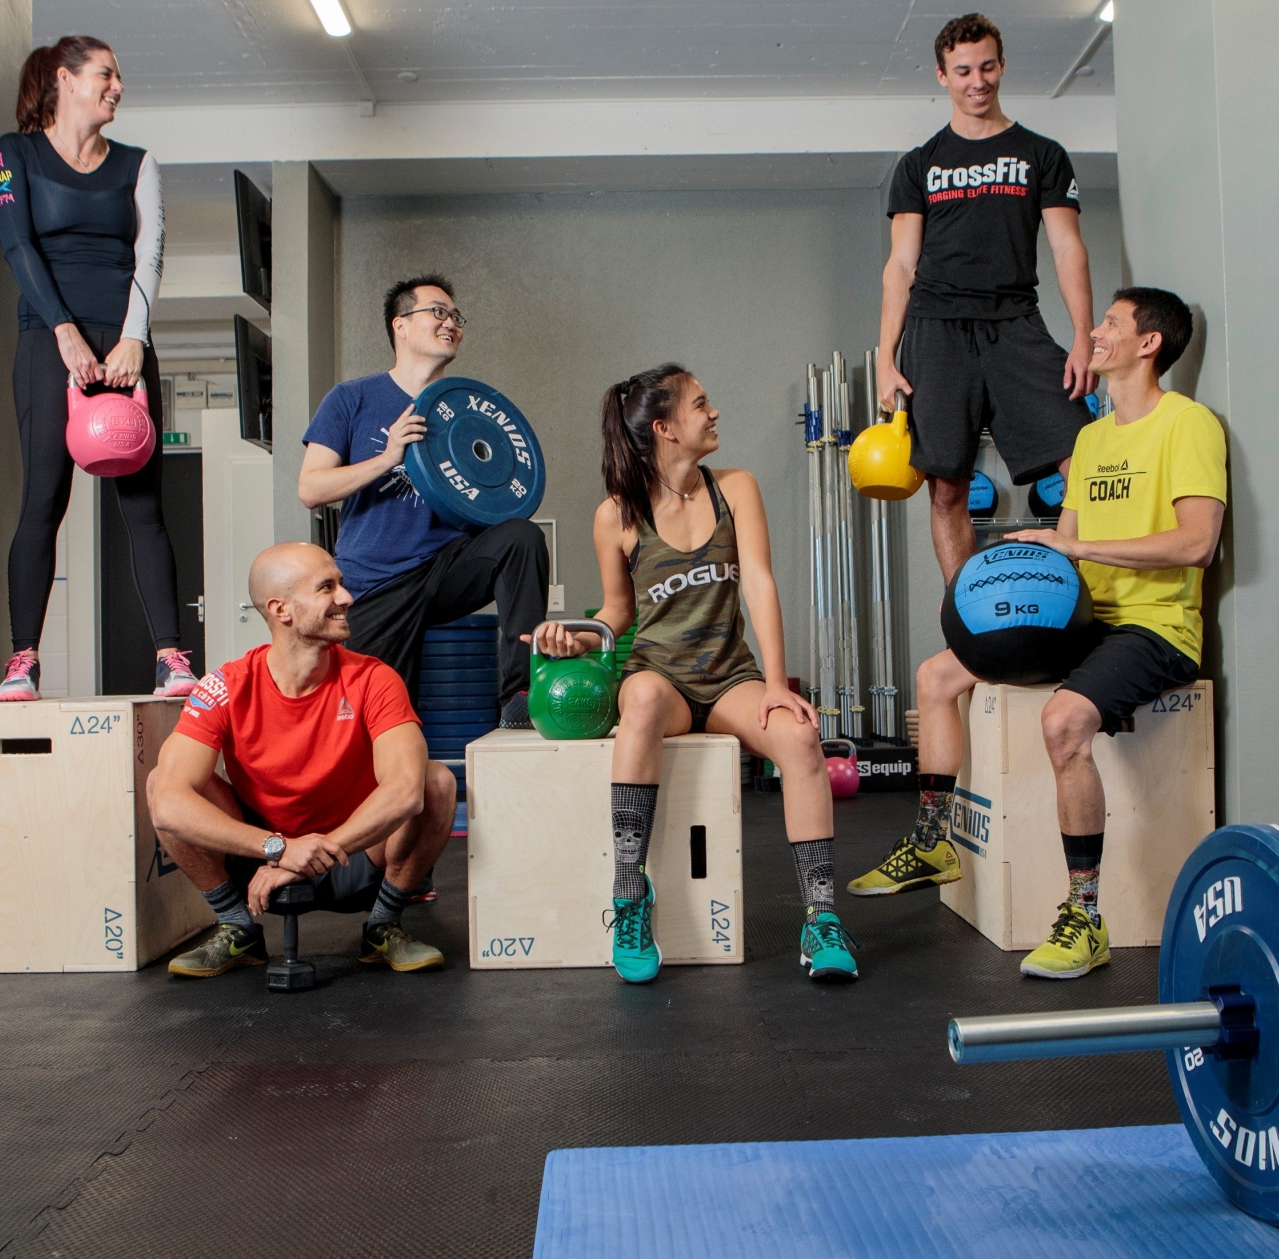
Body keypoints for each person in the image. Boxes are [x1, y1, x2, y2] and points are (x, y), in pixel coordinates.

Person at [848, 288, 1225, 982]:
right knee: (936, 676)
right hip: (1084, 619)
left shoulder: (1188, 424)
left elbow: (1198, 543)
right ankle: (934, 841)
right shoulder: (1090, 436)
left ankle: (1085, 918)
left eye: (1110, 323)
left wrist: (1076, 552)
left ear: (1149, 344)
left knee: (1062, 722)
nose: (1097, 333)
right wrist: (1023, 567)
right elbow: (1070, 545)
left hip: (1154, 626)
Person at [528, 364, 860, 986]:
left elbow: (759, 583)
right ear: (665, 428)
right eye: (701, 404)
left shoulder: (735, 488)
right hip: (659, 674)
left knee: (798, 739)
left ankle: (821, 920)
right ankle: (631, 897)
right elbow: (618, 611)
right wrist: (572, 637)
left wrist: (782, 687)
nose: (714, 413)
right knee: (644, 703)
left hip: (730, 677)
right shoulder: (617, 517)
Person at [0, 35, 197, 702]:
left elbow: (149, 255)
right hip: (50, 340)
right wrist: (65, 334)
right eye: (106, 73)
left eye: (117, 73)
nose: (118, 85)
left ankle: (171, 658)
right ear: (63, 78)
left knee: (144, 507)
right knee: (43, 500)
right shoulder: (13, 154)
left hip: (125, 342)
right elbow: (18, 246)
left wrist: (133, 341)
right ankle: (23, 660)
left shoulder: (137, 163)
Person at [148, 542, 456, 978]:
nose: (346, 598)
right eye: (327, 587)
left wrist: (314, 852)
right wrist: (279, 849)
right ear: (281, 609)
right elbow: (169, 804)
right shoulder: (226, 685)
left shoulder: (374, 678)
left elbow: (406, 790)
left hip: (355, 854)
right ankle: (237, 928)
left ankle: (384, 925)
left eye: (342, 585)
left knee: (435, 781)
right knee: (163, 781)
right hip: (260, 854)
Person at [879, 12, 1097, 581]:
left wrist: (1081, 336)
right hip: (937, 328)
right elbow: (901, 263)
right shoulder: (919, 164)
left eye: (988, 67)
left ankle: (1085, 588)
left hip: (1016, 323)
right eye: (964, 71)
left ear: (1002, 66)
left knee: (1084, 457)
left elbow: (1068, 246)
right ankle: (966, 621)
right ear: (941, 76)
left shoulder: (1040, 154)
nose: (978, 81)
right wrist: (884, 355)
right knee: (948, 488)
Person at [299, 276, 550, 727]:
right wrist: (388, 457)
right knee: (374, 724)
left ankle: (520, 696)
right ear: (401, 325)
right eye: (438, 312)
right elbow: (311, 489)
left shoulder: (468, 408)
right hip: (377, 580)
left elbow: (495, 499)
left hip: (445, 567)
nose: (451, 322)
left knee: (521, 538)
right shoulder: (352, 398)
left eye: (456, 316)